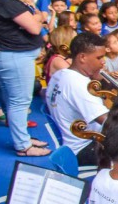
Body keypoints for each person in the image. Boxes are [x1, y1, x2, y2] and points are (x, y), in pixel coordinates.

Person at [0, 0, 49, 156]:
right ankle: (23, 146)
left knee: (11, 100)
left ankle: (22, 138)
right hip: (15, 57)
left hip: (9, 55)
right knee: (19, 102)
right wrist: (40, 17)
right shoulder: (6, 0)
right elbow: (35, 27)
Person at [46, 32, 109, 165]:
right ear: (82, 57)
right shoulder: (80, 85)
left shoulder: (59, 75)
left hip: (70, 144)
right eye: (99, 58)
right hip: (83, 148)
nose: (103, 62)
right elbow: (110, 122)